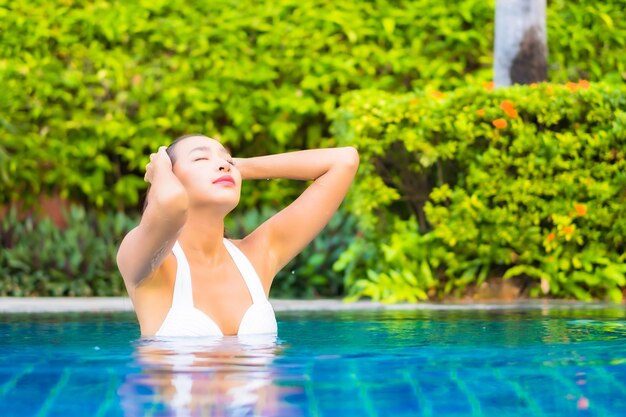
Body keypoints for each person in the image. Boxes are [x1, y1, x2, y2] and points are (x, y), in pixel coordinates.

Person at [116, 134, 359, 337]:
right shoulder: (147, 263)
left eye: (227, 159)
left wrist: (239, 167)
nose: (223, 165)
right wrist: (159, 171)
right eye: (200, 158)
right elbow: (171, 203)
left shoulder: (257, 256)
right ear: (169, 177)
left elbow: (344, 160)